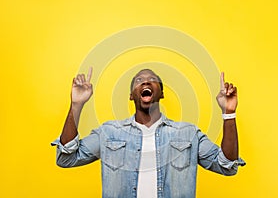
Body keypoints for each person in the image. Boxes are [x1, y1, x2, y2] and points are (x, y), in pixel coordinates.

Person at [52, 67, 245, 198]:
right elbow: (67, 158)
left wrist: (229, 113)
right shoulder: (109, 133)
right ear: (131, 95)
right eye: (139, 80)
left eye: (153, 80)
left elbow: (227, 165)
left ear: (161, 93)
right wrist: (76, 105)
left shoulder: (188, 134)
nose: (146, 82)